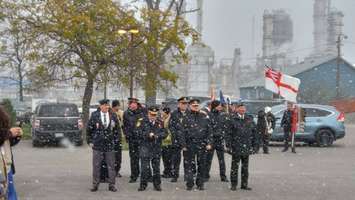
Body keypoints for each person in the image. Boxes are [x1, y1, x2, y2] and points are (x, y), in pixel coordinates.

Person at [87, 99, 120, 192]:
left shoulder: (113, 115)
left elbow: (117, 130)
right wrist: (90, 140)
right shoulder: (94, 116)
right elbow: (89, 129)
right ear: (100, 106)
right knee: (96, 165)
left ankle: (112, 185)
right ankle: (95, 184)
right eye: (104, 105)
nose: (106, 107)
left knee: (111, 166)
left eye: (107, 105)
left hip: (110, 145)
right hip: (98, 145)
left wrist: (116, 141)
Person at [180, 99, 212, 191]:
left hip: (202, 144)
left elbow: (209, 131)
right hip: (189, 145)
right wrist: (183, 145)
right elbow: (181, 132)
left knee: (202, 165)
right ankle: (189, 183)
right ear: (190, 106)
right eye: (194, 105)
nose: (196, 106)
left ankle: (200, 183)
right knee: (189, 165)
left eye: (197, 105)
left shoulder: (204, 116)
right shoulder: (185, 117)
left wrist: (209, 142)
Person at [226, 102, 258, 191]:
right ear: (236, 109)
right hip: (236, 147)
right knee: (234, 168)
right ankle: (233, 184)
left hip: (246, 147)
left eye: (244, 108)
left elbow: (255, 133)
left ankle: (244, 184)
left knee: (245, 168)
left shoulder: (249, 119)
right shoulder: (232, 119)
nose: (242, 110)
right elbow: (228, 134)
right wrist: (228, 146)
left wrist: (255, 146)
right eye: (240, 108)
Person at [137, 106, 167, 191]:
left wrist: (158, 136)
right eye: (151, 114)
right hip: (145, 147)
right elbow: (137, 132)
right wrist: (147, 135)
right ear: (148, 113)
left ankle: (157, 185)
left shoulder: (160, 122)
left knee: (156, 168)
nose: (153, 116)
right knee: (144, 168)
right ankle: (143, 185)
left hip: (156, 147)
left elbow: (165, 133)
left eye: (155, 115)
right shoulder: (142, 121)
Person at [0, 106, 22, 200]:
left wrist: (16, 136)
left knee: (10, 195)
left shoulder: (2, 117)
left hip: (6, 168)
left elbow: (7, 142)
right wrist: (9, 133)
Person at [123, 98, 146, 183]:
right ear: (129, 105)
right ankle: (134, 175)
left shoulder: (143, 112)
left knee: (144, 158)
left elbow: (146, 124)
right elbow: (125, 126)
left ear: (137, 104)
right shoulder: (126, 113)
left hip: (142, 139)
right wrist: (127, 134)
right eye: (131, 103)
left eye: (134, 103)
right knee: (133, 159)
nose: (133, 105)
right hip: (132, 139)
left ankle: (146, 175)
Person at [205, 100, 228, 182]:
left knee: (221, 159)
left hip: (220, 139)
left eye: (221, 105)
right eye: (219, 105)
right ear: (215, 106)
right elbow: (208, 128)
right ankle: (206, 175)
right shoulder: (209, 115)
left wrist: (223, 135)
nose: (220, 106)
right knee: (208, 159)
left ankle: (223, 176)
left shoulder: (222, 115)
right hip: (211, 140)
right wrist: (209, 139)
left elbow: (225, 127)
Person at [169, 97, 189, 183]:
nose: (184, 105)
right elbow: (171, 126)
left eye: (185, 103)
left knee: (187, 159)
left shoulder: (190, 113)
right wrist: (176, 134)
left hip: (187, 140)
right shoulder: (174, 113)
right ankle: (175, 175)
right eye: (182, 103)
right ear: (179, 104)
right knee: (176, 159)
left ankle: (187, 175)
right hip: (176, 139)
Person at [111, 100, 123, 177]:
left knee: (118, 156)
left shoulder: (120, 113)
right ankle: (112, 171)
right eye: (119, 106)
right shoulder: (110, 114)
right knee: (112, 156)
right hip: (112, 138)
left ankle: (117, 170)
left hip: (119, 137)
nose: (119, 107)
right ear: (115, 106)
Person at [161, 107, 173, 178]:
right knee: (165, 158)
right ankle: (166, 171)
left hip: (169, 142)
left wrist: (167, 136)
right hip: (164, 142)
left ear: (166, 113)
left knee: (168, 158)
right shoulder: (164, 119)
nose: (162, 114)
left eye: (163, 112)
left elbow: (170, 130)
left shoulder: (170, 120)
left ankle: (169, 172)